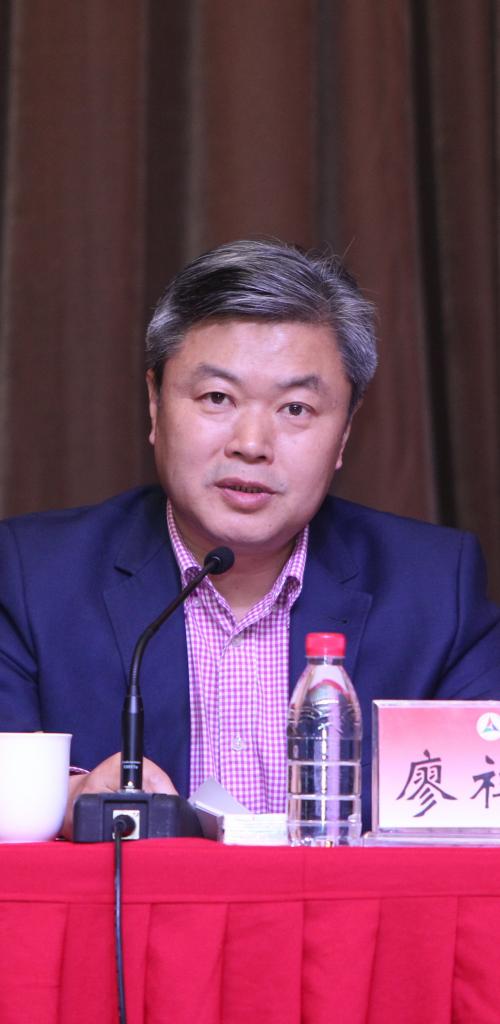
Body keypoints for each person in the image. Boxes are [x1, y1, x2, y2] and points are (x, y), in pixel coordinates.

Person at [0, 239, 499, 837]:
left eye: (296, 409)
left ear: (345, 433)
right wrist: (69, 800)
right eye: (218, 398)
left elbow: (476, 820)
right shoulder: (32, 578)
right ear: (155, 404)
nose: (252, 444)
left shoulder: (435, 591)